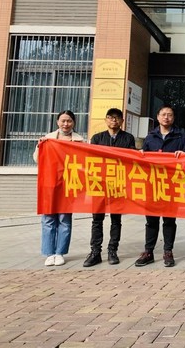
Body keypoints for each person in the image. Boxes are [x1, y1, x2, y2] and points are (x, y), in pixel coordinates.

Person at [135, 105, 185, 268]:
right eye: (163, 114)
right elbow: (143, 158)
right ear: (158, 117)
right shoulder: (150, 136)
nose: (166, 117)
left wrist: (184, 154)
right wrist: (140, 154)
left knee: (169, 220)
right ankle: (148, 252)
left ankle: (168, 251)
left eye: (170, 115)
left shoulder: (181, 135)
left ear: (173, 118)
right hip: (152, 184)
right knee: (151, 220)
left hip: (171, 184)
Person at [83, 108, 136, 267]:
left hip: (118, 184)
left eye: (117, 118)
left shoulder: (128, 138)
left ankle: (112, 250)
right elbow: (91, 159)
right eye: (111, 117)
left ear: (122, 121)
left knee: (116, 219)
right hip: (99, 184)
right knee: (97, 219)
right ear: (106, 120)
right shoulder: (97, 138)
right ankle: (95, 252)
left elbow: (131, 159)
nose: (114, 120)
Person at [34, 110, 84, 267]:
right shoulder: (48, 139)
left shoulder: (80, 141)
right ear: (57, 122)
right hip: (49, 184)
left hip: (68, 185)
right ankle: (49, 253)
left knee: (64, 219)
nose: (66, 124)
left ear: (73, 123)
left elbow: (84, 163)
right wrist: (40, 146)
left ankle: (60, 252)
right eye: (63, 121)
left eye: (69, 121)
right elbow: (37, 159)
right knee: (48, 219)